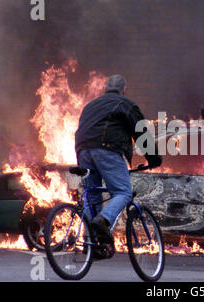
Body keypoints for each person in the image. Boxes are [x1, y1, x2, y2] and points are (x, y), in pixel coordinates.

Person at [75, 74, 161, 245]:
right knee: (123, 192)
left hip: (83, 150)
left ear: (106, 88)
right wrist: (154, 159)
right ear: (124, 90)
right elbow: (141, 134)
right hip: (107, 149)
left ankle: (91, 244)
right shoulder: (126, 104)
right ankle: (104, 219)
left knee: (92, 197)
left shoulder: (90, 106)